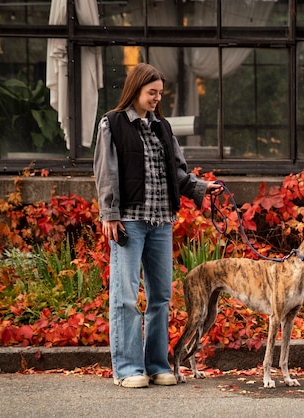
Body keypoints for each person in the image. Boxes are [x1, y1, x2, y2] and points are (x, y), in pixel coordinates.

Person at [93, 63, 222, 388]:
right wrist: (110, 214)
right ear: (136, 90)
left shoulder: (162, 127)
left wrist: (202, 187)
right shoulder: (113, 123)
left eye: (160, 93)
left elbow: (177, 173)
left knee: (161, 296)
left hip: (161, 222)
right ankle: (127, 369)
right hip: (129, 223)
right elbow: (105, 172)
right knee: (125, 296)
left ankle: (155, 364)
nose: (156, 98)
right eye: (152, 93)